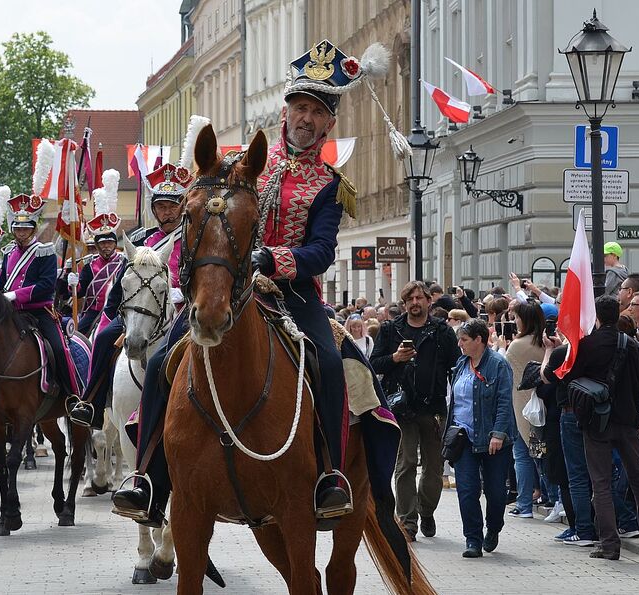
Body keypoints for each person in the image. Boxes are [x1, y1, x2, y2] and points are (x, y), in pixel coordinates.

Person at [117, 40, 384, 526]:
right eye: (300, 107)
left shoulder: (328, 184)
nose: (306, 118)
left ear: (330, 124)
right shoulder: (243, 165)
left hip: (294, 293)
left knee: (328, 360)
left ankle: (329, 476)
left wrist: (275, 259)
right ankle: (148, 478)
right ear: (286, 110)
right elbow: (200, 226)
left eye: (317, 112)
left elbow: (323, 251)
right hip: (228, 288)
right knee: (160, 359)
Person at [72, 162, 186, 430]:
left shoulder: (192, 239)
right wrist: (111, 316)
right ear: (154, 209)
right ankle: (93, 404)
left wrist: (181, 292)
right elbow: (123, 282)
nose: (166, 212)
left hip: (182, 312)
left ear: (180, 207)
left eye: (171, 206)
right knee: (101, 339)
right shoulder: (141, 240)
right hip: (138, 310)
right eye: (161, 207)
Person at [560, 295, 639, 559]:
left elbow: (571, 381)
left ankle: (609, 544)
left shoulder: (586, 345)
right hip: (628, 420)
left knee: (601, 482)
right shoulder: (630, 344)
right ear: (616, 315)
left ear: (596, 317)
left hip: (596, 422)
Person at [371, 281, 459, 540]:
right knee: (406, 463)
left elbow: (456, 367)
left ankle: (426, 510)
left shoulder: (442, 331)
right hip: (401, 408)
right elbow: (373, 362)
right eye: (410, 299)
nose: (415, 303)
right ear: (404, 303)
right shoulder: (390, 330)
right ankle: (407, 521)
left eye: (420, 298)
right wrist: (395, 359)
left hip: (433, 408)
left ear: (429, 302)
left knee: (434, 467)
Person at [0, 193, 79, 407]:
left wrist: (16, 294)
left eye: (25, 228)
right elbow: (2, 284)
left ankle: (72, 395)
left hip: (39, 312)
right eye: (17, 228)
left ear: (33, 228)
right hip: (12, 313)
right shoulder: (7, 253)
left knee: (60, 349)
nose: (21, 232)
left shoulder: (45, 251)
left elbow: (46, 285)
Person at [447, 319, 515, 558]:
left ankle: (494, 528)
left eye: (464, 340)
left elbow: (505, 402)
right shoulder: (461, 364)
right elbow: (455, 402)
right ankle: (472, 539)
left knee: (496, 492)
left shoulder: (498, 365)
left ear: (479, 340)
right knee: (467, 490)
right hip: (464, 437)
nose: (460, 344)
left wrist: (498, 433)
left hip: (493, 439)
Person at [503, 301, 547, 519]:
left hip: (522, 408)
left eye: (517, 316)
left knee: (522, 455)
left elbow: (508, 375)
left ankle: (524, 504)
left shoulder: (517, 345)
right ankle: (551, 499)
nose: (514, 320)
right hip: (541, 408)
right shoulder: (546, 341)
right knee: (540, 455)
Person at [69, 169, 126, 336]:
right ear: (97, 245)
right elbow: (80, 291)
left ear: (115, 244)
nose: (107, 246)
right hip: (93, 312)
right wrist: (71, 282)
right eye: (103, 243)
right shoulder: (90, 264)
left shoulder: (123, 261)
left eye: (110, 243)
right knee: (76, 337)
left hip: (118, 311)